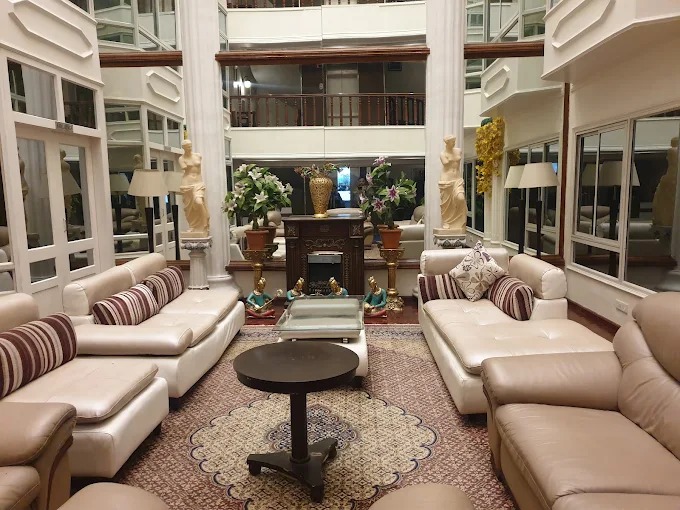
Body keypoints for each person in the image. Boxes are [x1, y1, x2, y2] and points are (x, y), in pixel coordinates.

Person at [178, 138, 210, 237]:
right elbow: (184, 168)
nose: (190, 148)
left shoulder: (198, 156)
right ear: (184, 148)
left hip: (198, 183)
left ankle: (205, 222)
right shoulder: (181, 159)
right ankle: (192, 226)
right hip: (187, 183)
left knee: (199, 202)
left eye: (190, 146)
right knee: (189, 207)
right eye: (187, 147)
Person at [438, 135, 467, 233]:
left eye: (454, 141)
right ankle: (447, 222)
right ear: (447, 143)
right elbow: (445, 163)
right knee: (446, 203)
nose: (454, 143)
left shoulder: (458, 151)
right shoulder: (443, 154)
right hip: (446, 180)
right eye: (452, 142)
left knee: (460, 198)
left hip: (457, 179)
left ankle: (460, 221)